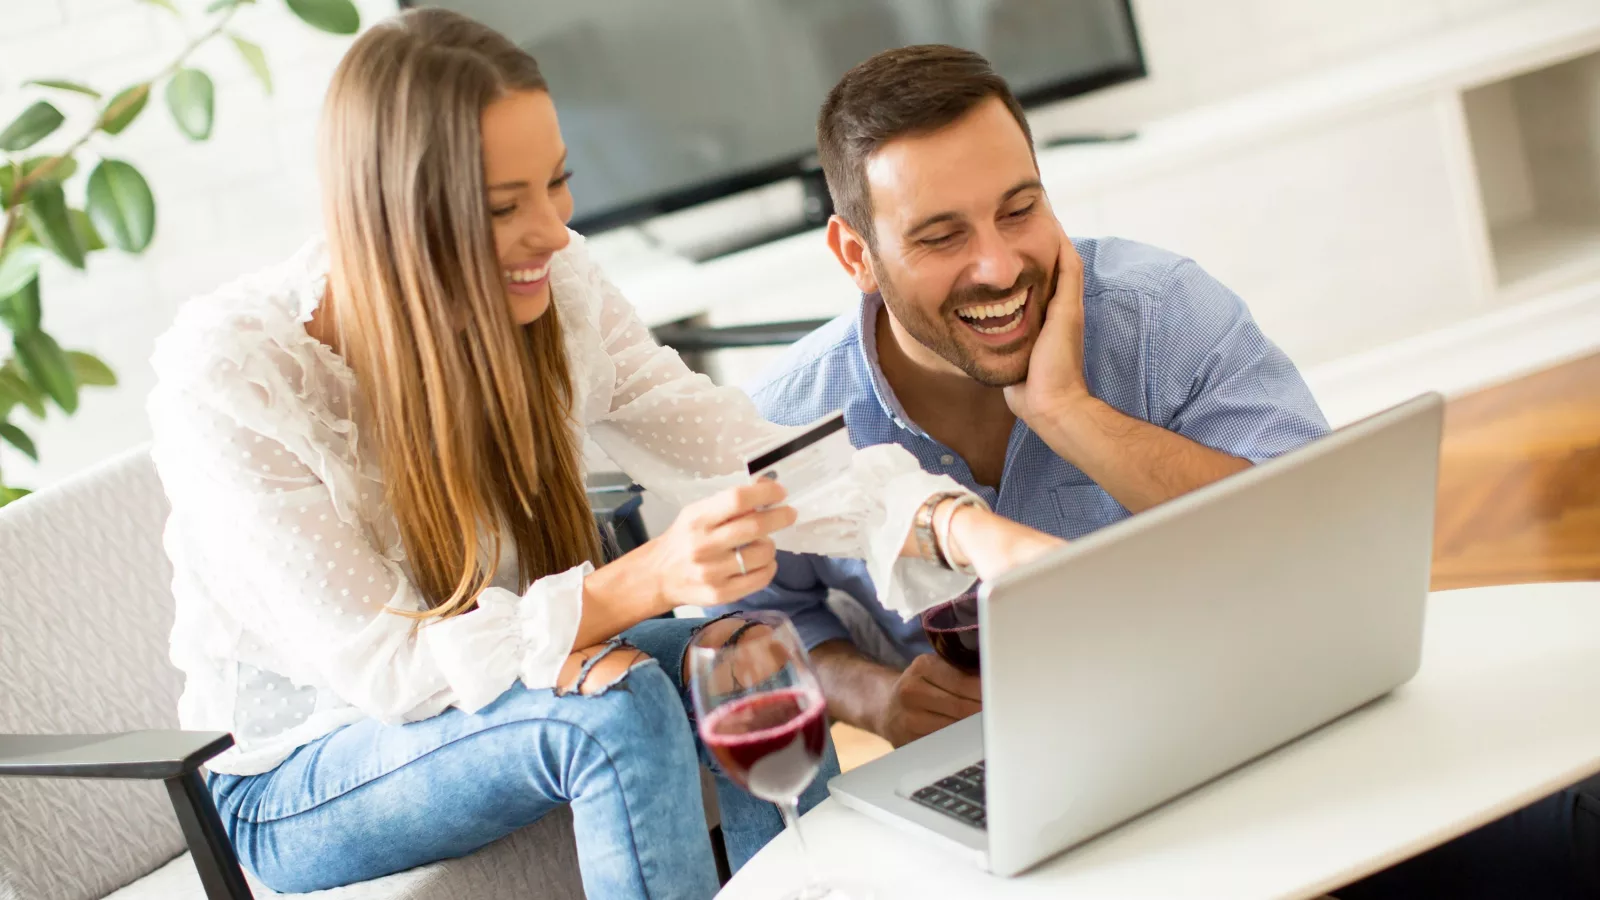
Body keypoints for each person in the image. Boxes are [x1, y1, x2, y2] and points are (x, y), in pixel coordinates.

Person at [145, 12, 1061, 899]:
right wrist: (649, 578)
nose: (554, 230)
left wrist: (965, 530)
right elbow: (390, 671)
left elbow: (745, 456)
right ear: (394, 219)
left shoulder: (561, 287)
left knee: (748, 654)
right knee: (611, 710)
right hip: (300, 775)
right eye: (505, 206)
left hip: (498, 690)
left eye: (557, 182)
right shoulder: (236, 373)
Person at [720, 45, 1331, 749]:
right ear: (858, 257)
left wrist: (1070, 414)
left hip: (1234, 704)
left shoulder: (1164, 312)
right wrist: (876, 698)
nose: (1000, 266)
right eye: (942, 237)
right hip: (994, 764)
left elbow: (1320, 523)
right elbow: (745, 622)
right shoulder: (788, 417)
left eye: (1019, 210)